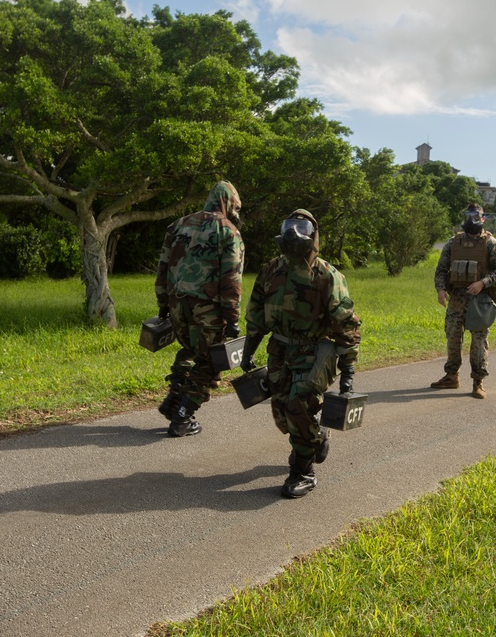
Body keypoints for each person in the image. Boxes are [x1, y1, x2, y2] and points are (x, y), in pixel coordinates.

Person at [240, 209, 361, 499]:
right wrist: (248, 352)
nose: (293, 233)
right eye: (289, 226)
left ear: (313, 236)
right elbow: (256, 314)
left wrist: (348, 373)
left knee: (298, 406)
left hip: (315, 350)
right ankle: (316, 438)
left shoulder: (327, 275)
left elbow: (347, 325)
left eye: (301, 227)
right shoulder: (271, 270)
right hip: (280, 349)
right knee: (282, 414)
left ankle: (302, 471)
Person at [154, 180, 244, 437]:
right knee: (211, 362)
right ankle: (183, 417)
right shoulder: (228, 232)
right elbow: (231, 279)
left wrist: (162, 303)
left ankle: (175, 396)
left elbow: (163, 267)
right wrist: (232, 318)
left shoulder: (178, 225)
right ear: (228, 203)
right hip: (208, 309)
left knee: (190, 350)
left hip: (177, 304)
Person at [431, 202, 496, 399]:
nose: (471, 220)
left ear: (483, 219)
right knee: (452, 337)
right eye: (469, 216)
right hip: (456, 298)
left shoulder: (491, 244)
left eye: (476, 217)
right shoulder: (453, 243)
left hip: (480, 300)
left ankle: (478, 381)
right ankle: (451, 376)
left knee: (479, 341)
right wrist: (441, 289)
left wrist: (483, 283)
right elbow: (441, 269)